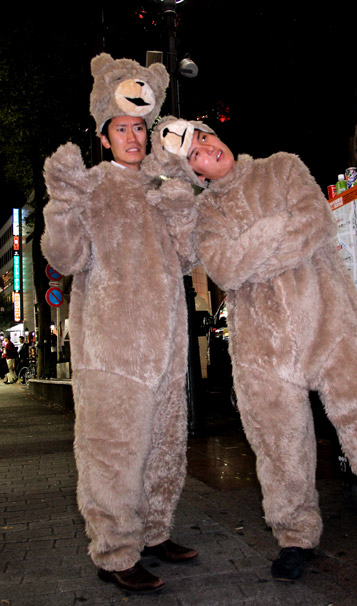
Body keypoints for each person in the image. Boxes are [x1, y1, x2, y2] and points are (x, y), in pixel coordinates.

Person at [147, 116, 357, 581]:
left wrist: (254, 251)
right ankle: (294, 535)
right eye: (195, 154)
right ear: (195, 174)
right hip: (262, 350)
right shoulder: (206, 216)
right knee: (279, 445)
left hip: (332, 322)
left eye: (205, 137)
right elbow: (224, 269)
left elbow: (314, 223)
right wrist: (276, 228)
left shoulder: (282, 167)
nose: (207, 149)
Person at [41, 55, 197, 594]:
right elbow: (63, 257)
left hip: (168, 346)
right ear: (104, 138)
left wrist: (180, 207)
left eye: (138, 128)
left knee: (164, 445)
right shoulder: (89, 187)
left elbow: (186, 260)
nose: (132, 136)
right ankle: (113, 552)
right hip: (111, 350)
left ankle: (154, 533)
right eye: (121, 129)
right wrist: (60, 202)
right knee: (114, 452)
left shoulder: (159, 185)